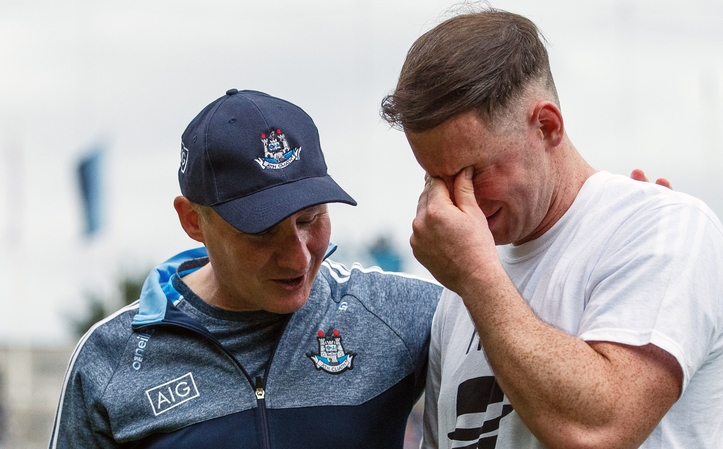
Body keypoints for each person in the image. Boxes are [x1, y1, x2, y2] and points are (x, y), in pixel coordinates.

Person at [381, 9, 723, 449]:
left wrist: (477, 276)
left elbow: (600, 431)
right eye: (434, 179)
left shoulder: (667, 230)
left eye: (471, 173)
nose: (454, 202)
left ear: (546, 126)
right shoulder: (459, 291)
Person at [49, 89, 442, 448]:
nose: (299, 258)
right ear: (192, 221)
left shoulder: (403, 313)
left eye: (309, 220)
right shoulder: (108, 358)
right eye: (263, 232)